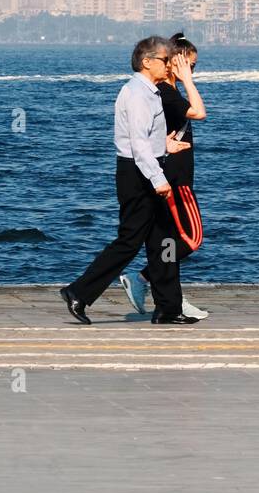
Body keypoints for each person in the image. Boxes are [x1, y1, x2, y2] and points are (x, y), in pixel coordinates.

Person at [59, 36, 199, 325]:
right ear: (147, 62)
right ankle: (78, 292)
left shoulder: (150, 92)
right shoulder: (136, 94)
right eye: (164, 60)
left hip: (148, 169)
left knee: (164, 243)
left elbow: (149, 138)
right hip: (138, 175)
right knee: (129, 241)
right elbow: (138, 144)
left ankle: (168, 309)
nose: (169, 64)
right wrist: (158, 178)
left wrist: (166, 147)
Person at [120, 32, 209, 320]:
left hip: (174, 175)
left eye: (193, 67)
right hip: (174, 178)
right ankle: (145, 279)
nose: (191, 70)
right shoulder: (169, 95)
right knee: (190, 238)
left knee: (168, 239)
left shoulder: (165, 93)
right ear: (173, 64)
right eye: (189, 65)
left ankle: (170, 300)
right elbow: (199, 112)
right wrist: (187, 80)